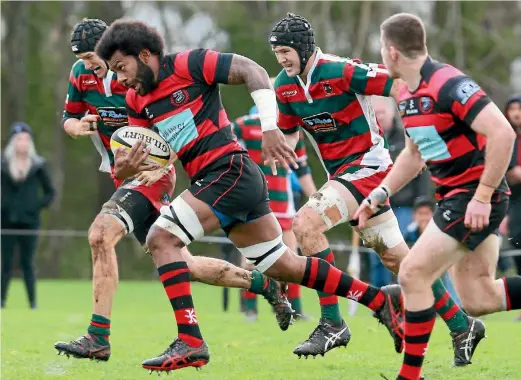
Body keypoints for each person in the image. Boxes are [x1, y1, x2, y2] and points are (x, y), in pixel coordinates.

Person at [95, 19, 401, 373]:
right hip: (224, 181)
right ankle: (380, 300)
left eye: (121, 67)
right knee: (283, 266)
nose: (119, 79)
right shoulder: (136, 99)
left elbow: (252, 70)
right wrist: (127, 169)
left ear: (145, 55)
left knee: (161, 238)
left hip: (228, 171)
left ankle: (191, 341)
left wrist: (270, 127)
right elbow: (151, 159)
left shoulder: (189, 64)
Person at [54, 18, 292, 363]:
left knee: (100, 233)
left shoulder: (136, 78)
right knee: (183, 263)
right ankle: (261, 284)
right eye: (87, 60)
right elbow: (69, 117)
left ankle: (98, 337)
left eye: (95, 58)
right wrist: (77, 128)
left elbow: (170, 120)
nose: (91, 66)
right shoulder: (82, 73)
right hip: (123, 174)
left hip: (152, 175)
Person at [268, 13, 476, 363]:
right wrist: (280, 143)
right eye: (277, 54)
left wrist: (416, 133)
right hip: (344, 178)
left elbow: (399, 84)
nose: (282, 60)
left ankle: (332, 322)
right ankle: (461, 324)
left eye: (286, 51)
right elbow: (288, 131)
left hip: (369, 169)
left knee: (305, 225)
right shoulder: (284, 86)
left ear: (304, 48)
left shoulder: (342, 71)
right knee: (402, 263)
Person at [355, 13, 521, 379]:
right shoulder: (405, 92)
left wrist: (482, 196)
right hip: (455, 198)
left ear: (392, 51)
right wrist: (380, 192)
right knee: (477, 299)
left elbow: (503, 134)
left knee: (413, 273)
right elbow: (413, 155)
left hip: (473, 199)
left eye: (381, 51)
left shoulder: (449, 83)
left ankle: (410, 375)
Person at [232, 104, 317, 321]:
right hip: (252, 200)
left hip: (283, 203)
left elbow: (302, 169)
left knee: (291, 255)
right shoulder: (243, 126)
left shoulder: (290, 129)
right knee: (251, 257)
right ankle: (249, 308)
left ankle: (294, 308)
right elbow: (229, 160)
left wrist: (317, 199)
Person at [1, 122, 55, 309]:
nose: (22, 143)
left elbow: (50, 192)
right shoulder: (3, 165)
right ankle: (1, 300)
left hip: (30, 221)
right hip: (6, 220)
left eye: (25, 139)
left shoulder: (38, 166)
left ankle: (32, 302)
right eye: (18, 139)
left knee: (27, 263)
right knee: (5, 263)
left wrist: (35, 206)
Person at [502, 94, 521, 320]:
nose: (515, 112)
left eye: (519, 108)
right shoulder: (504, 139)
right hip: (517, 209)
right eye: (511, 108)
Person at [404, 197, 461, 307]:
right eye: (420, 213)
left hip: (440, 266)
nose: (424, 217)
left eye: (427, 213)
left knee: (450, 271)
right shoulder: (409, 234)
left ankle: (455, 306)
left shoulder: (441, 231)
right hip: (419, 269)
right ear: (414, 216)